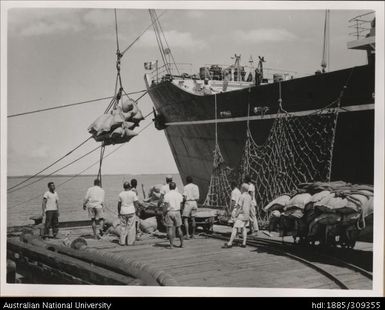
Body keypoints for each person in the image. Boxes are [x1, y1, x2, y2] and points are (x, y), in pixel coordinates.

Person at [223, 183, 252, 248]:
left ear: (243, 189)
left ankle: (230, 243)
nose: (240, 189)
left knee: (235, 228)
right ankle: (244, 243)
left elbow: (239, 207)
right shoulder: (249, 197)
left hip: (241, 215)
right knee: (243, 228)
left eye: (241, 188)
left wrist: (235, 215)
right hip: (247, 215)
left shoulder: (242, 196)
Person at [162, 181, 184, 249]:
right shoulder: (179, 194)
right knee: (179, 228)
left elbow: (165, 206)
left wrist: (163, 213)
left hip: (170, 212)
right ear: (175, 187)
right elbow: (181, 204)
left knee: (170, 228)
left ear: (169, 187)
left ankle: (171, 245)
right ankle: (182, 244)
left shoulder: (167, 195)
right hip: (177, 211)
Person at [118, 181, 139, 246]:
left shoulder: (120, 194)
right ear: (129, 186)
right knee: (131, 227)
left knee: (122, 227)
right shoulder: (133, 193)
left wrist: (119, 212)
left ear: (123, 187)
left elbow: (119, 204)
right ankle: (130, 242)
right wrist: (137, 210)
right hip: (131, 211)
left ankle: (122, 242)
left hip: (123, 212)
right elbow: (136, 203)